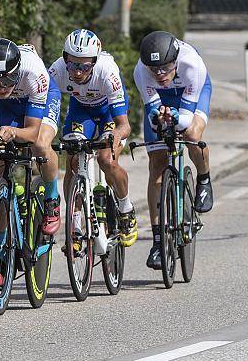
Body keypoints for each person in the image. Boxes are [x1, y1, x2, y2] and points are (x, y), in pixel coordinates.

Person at [49, 28, 138, 248]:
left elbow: (124, 125)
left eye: (84, 66)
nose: (77, 72)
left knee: (106, 159)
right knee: (72, 160)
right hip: (81, 110)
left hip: (109, 111)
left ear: (94, 62)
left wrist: (115, 136)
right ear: (64, 58)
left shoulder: (107, 73)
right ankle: (75, 225)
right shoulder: (57, 71)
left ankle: (126, 208)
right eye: (73, 64)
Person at [134, 30, 213, 270]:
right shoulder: (141, 71)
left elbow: (186, 120)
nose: (160, 74)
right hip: (162, 98)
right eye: (154, 69)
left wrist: (176, 119)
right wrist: (159, 120)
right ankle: (158, 241)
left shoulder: (192, 65)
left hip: (191, 95)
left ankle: (204, 179)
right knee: (157, 163)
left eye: (166, 68)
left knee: (190, 135)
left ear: (176, 61)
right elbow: (152, 116)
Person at [0, 38, 62, 236]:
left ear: (18, 72)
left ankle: (51, 198)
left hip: (39, 97)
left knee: (40, 144)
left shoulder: (34, 73)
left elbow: (31, 132)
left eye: (7, 80)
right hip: (5, 105)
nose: (1, 87)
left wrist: (14, 132)